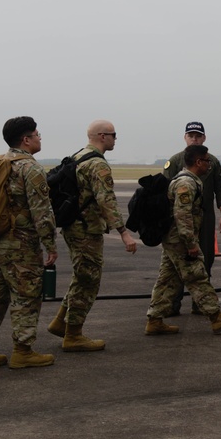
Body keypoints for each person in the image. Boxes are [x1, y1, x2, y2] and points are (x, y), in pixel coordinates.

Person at [0, 117, 58, 370]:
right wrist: (50, 244)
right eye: (37, 134)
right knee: (26, 296)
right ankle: (23, 350)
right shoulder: (31, 168)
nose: (40, 138)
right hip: (21, 245)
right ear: (26, 139)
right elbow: (42, 212)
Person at [47, 120, 137, 351]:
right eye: (113, 135)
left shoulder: (78, 156)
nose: (116, 139)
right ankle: (74, 334)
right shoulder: (97, 164)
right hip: (86, 228)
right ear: (102, 136)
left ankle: (60, 323)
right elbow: (105, 200)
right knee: (88, 280)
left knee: (81, 275)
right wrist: (123, 233)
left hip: (73, 225)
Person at [145, 145, 221, 336]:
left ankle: (154, 320)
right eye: (207, 161)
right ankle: (216, 317)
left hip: (173, 240)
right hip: (180, 241)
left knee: (166, 280)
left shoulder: (188, 180)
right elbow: (183, 216)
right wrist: (191, 244)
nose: (209, 164)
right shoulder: (186, 184)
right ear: (199, 162)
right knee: (198, 276)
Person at [162, 121, 221, 315]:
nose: (194, 139)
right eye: (190, 135)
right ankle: (171, 305)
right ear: (185, 137)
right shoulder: (175, 161)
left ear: (204, 138)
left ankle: (199, 304)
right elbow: (163, 191)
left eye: (198, 136)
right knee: (175, 261)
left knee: (205, 258)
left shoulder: (212, 162)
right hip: (178, 217)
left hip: (205, 217)